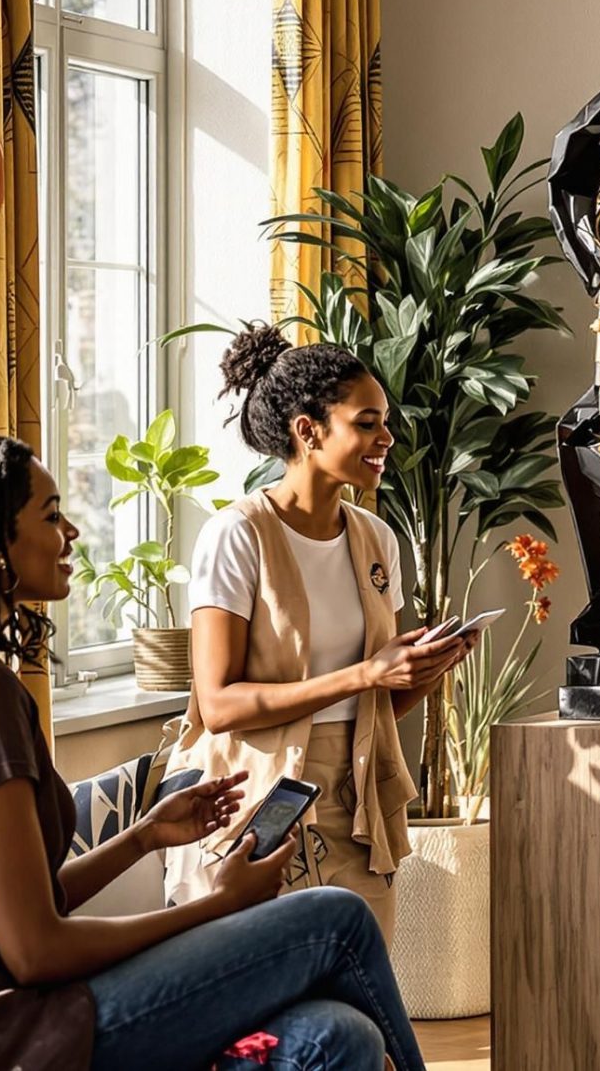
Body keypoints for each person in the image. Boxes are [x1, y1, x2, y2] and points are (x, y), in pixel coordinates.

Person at [0, 430, 425, 1071]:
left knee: (335, 1035)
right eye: (50, 515)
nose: (72, 532)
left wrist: (143, 837)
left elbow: (13, 906)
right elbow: (36, 950)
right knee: (335, 916)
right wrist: (219, 904)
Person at [162, 324, 474, 931]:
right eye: (367, 423)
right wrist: (365, 674)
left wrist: (427, 669)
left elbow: (377, 704)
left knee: (362, 984)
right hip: (255, 805)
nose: (387, 439)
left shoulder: (376, 539)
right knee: (266, 988)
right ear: (308, 431)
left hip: (359, 807)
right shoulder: (237, 535)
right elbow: (219, 706)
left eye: (386, 422)